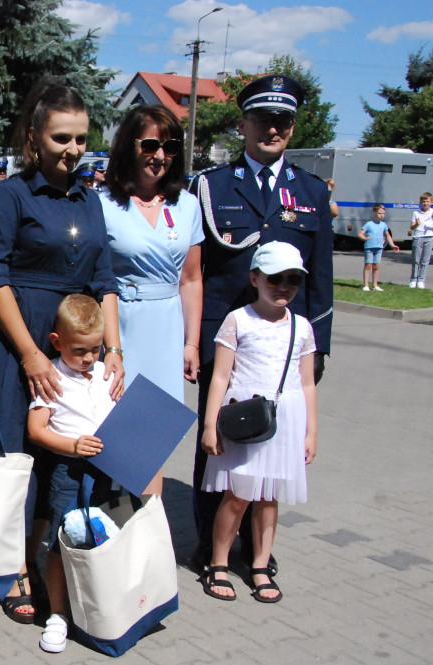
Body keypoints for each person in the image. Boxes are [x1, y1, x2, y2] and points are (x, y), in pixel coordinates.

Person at [0, 78, 123, 625]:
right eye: (62, 138)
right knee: (18, 455)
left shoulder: (91, 201)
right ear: (35, 138)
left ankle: (40, 553)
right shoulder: (8, 196)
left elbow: (105, 277)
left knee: (59, 452)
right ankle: (13, 565)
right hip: (20, 342)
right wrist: (30, 355)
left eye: (82, 139)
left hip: (76, 349)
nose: (73, 150)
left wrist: (113, 348)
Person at [188, 74, 332, 575]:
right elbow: (196, 271)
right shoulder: (211, 186)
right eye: (264, 120)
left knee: (274, 443)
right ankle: (213, 548)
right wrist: (194, 341)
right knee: (220, 442)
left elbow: (322, 278)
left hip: (284, 345)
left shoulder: (311, 190)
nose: (274, 129)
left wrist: (320, 348)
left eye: (284, 122)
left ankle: (257, 553)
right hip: (226, 342)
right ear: (245, 123)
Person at [200, 242, 318, 604]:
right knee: (238, 496)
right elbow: (220, 376)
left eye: (293, 280)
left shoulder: (302, 327)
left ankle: (260, 565)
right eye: (275, 278)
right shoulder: (238, 320)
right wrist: (209, 424)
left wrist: (311, 430)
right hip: (247, 419)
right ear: (254, 278)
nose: (283, 286)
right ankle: (218, 562)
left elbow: (307, 381)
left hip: (287, 420)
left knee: (270, 499)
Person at [100, 105, 204, 495]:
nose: (159, 156)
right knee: (112, 431)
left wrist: (190, 342)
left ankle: (144, 531)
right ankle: (106, 528)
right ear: (129, 145)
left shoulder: (188, 205)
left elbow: (191, 280)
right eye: (150, 144)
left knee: (152, 441)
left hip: (165, 330)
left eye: (170, 147)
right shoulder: (103, 204)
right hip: (119, 326)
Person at [26, 294, 116, 653]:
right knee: (63, 543)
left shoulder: (105, 371)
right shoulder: (51, 375)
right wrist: (71, 445)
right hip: (70, 473)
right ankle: (58, 614)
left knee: (103, 538)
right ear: (56, 342)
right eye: (80, 350)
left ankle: (95, 608)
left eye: (96, 348)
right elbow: (36, 430)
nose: (89, 358)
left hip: (108, 471)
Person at [359, 203, 399, 291]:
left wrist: (392, 245)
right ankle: (366, 285)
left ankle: (375, 285)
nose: (382, 215)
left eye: (383, 214)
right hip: (369, 247)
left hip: (379, 248)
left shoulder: (383, 225)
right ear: (374, 213)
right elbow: (360, 234)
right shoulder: (369, 224)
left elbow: (387, 235)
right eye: (380, 213)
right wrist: (364, 238)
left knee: (376, 266)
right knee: (368, 265)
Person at [409, 192, 433, 289]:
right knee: (416, 260)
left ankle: (421, 280)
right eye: (423, 202)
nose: (425, 203)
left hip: (429, 237)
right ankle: (413, 280)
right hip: (418, 237)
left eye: (427, 201)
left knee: (425, 260)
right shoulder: (416, 213)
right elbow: (412, 227)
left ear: (431, 202)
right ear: (420, 202)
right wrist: (416, 224)